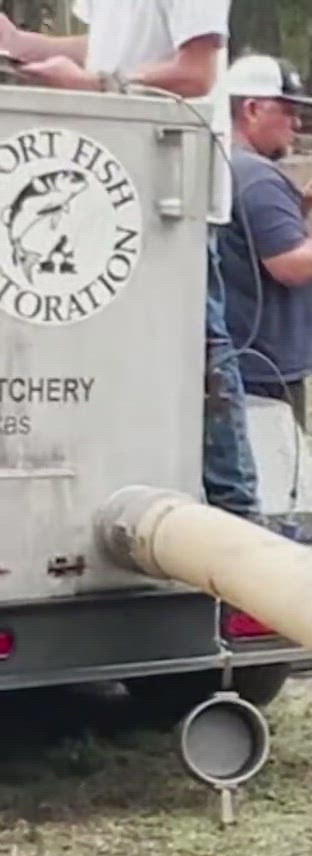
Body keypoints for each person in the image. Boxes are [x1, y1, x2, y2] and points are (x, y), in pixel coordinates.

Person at [0, 1, 261, 522]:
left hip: (173, 194)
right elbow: (107, 51)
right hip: (113, 190)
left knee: (197, 349)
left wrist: (94, 84)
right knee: (122, 359)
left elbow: (196, 72)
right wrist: (27, 46)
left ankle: (240, 514)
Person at [219, 53, 312, 429]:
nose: (296, 124)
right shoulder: (258, 176)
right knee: (276, 467)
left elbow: (249, 244)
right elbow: (292, 266)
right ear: (252, 109)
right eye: (287, 111)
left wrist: (299, 206)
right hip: (265, 364)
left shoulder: (222, 162)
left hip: (237, 356)